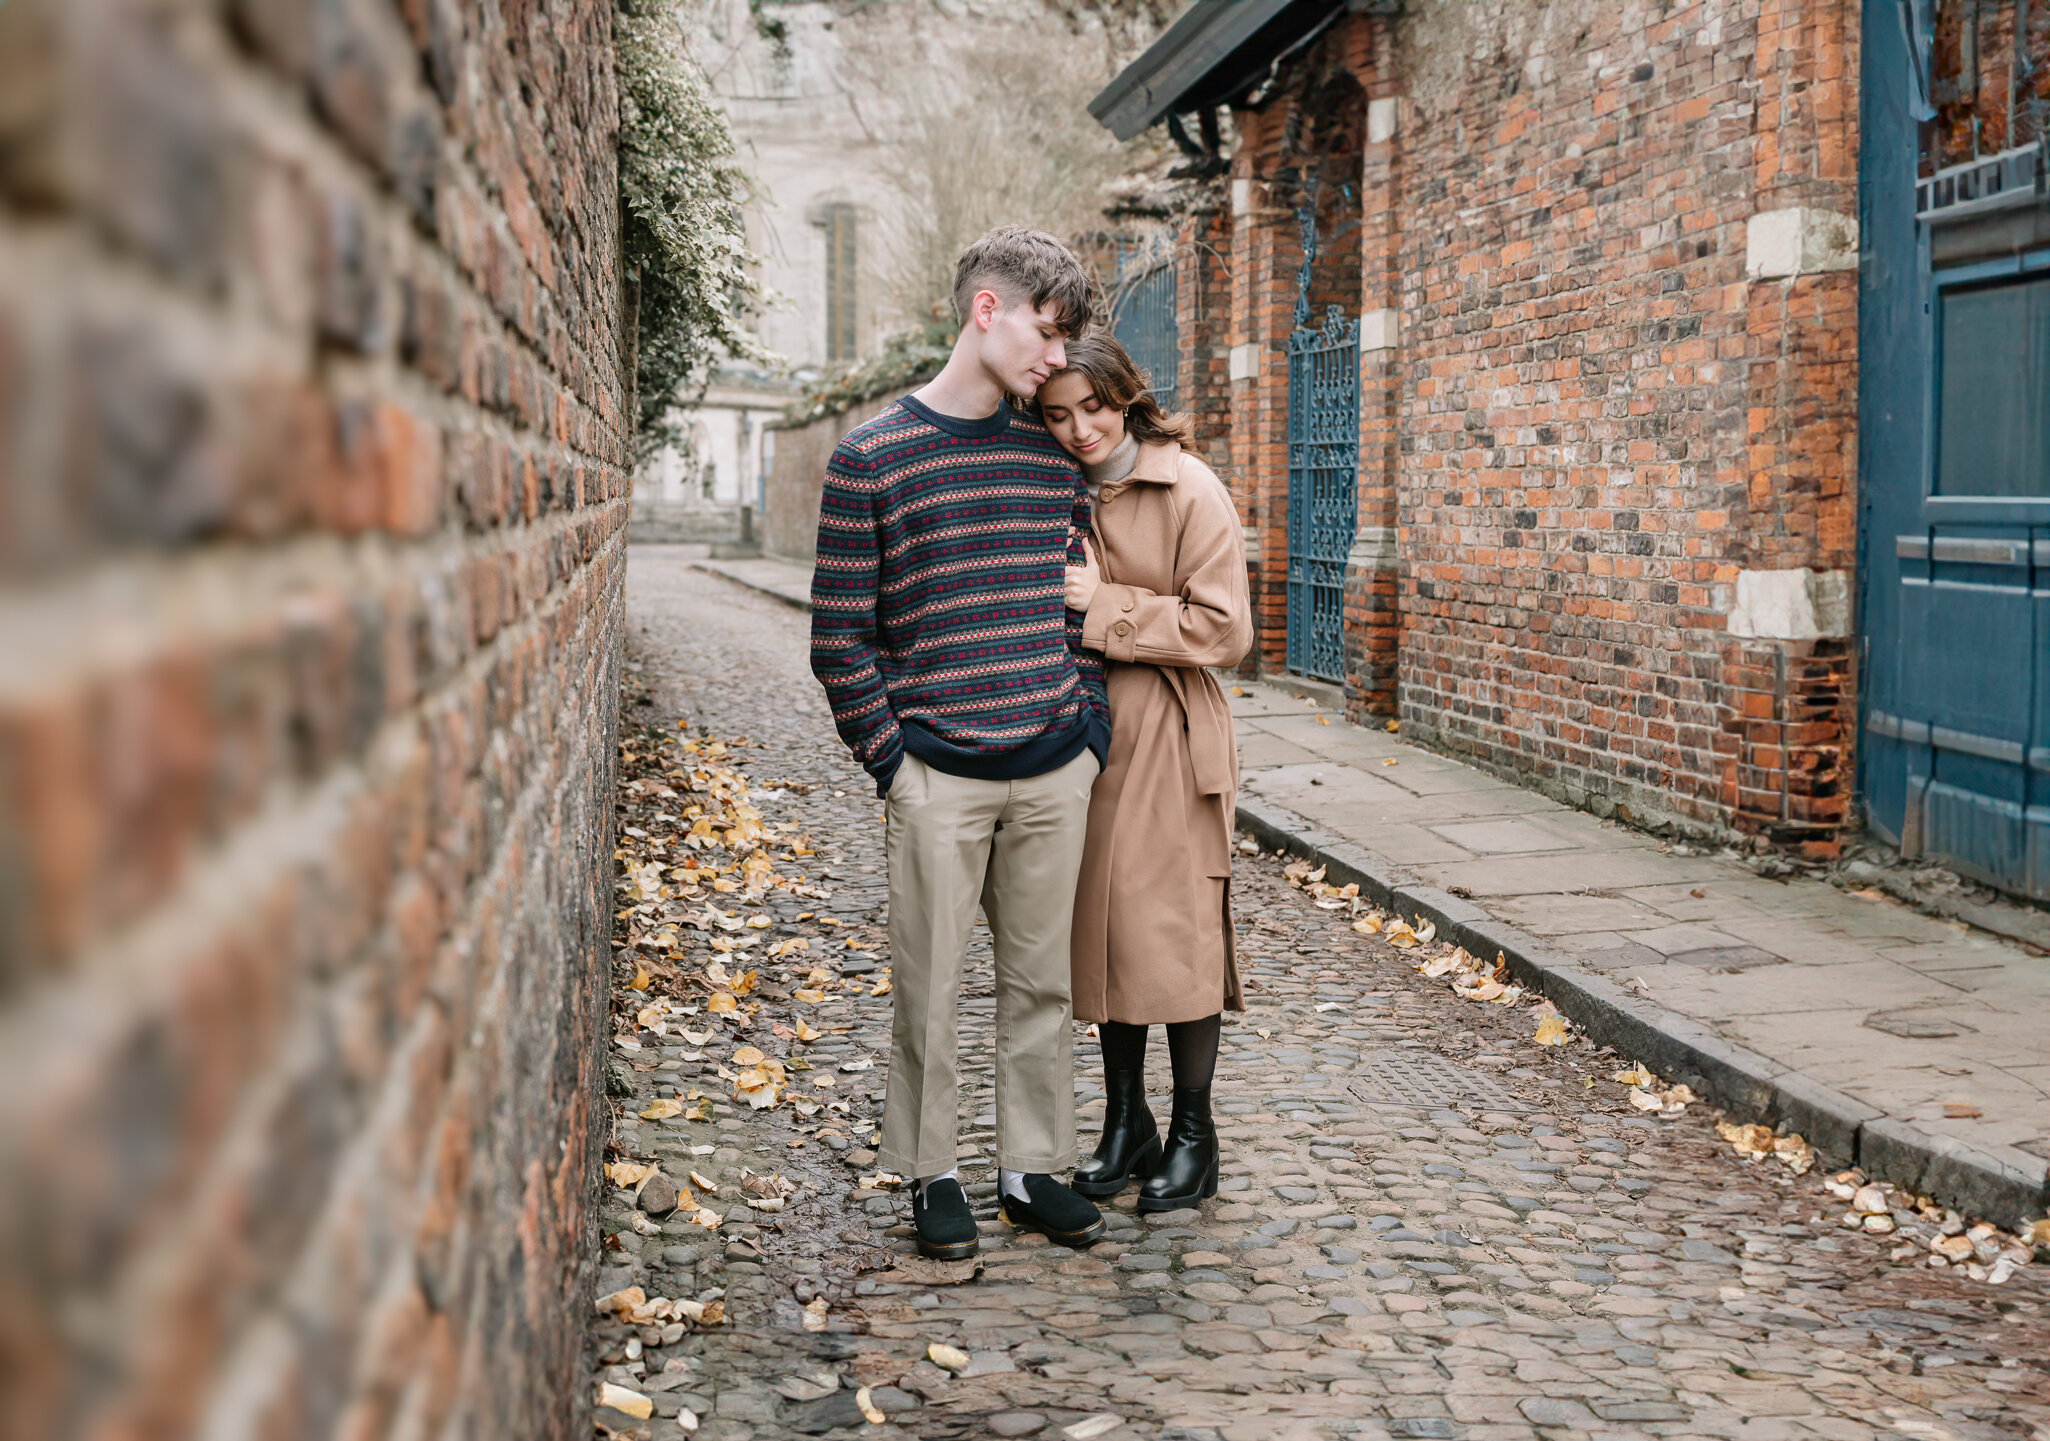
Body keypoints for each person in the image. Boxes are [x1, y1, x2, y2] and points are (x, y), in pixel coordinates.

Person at [809, 227, 1112, 1260]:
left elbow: (1079, 605)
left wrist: (1090, 733)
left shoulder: (1048, 456)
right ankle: (932, 1170)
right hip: (935, 768)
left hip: (1051, 761)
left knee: (1043, 985)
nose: (1057, 358)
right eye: (1046, 329)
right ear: (987, 309)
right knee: (928, 987)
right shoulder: (870, 459)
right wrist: (892, 763)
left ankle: (1032, 1169)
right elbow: (839, 633)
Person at [1036, 334, 1252, 1212]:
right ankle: (1126, 1122)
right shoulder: (1053, 488)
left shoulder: (1189, 487)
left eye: (1093, 406)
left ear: (1125, 397)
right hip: (1084, 733)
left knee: (1177, 928)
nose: (1080, 429)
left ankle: (1194, 1136)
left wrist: (1105, 607)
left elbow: (1225, 631)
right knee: (1106, 930)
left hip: (1169, 730)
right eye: (1057, 414)